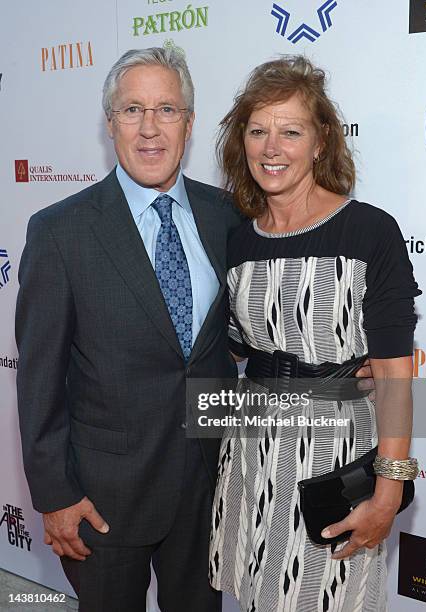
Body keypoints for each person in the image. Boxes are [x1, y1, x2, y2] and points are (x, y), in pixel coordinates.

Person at [15, 47, 242, 612]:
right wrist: (56, 495)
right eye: (131, 109)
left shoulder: (229, 215)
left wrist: (349, 369)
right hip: (103, 498)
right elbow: (38, 380)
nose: (149, 128)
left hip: (207, 488)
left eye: (167, 109)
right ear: (109, 122)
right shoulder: (60, 232)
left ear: (189, 124)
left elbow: (246, 333)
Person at [209, 56, 420, 611]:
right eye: (258, 131)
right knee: (257, 596)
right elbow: (233, 345)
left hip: (333, 455)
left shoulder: (370, 230)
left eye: (290, 131)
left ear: (321, 141)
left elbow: (397, 371)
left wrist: (390, 485)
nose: (271, 147)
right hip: (252, 455)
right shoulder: (238, 240)